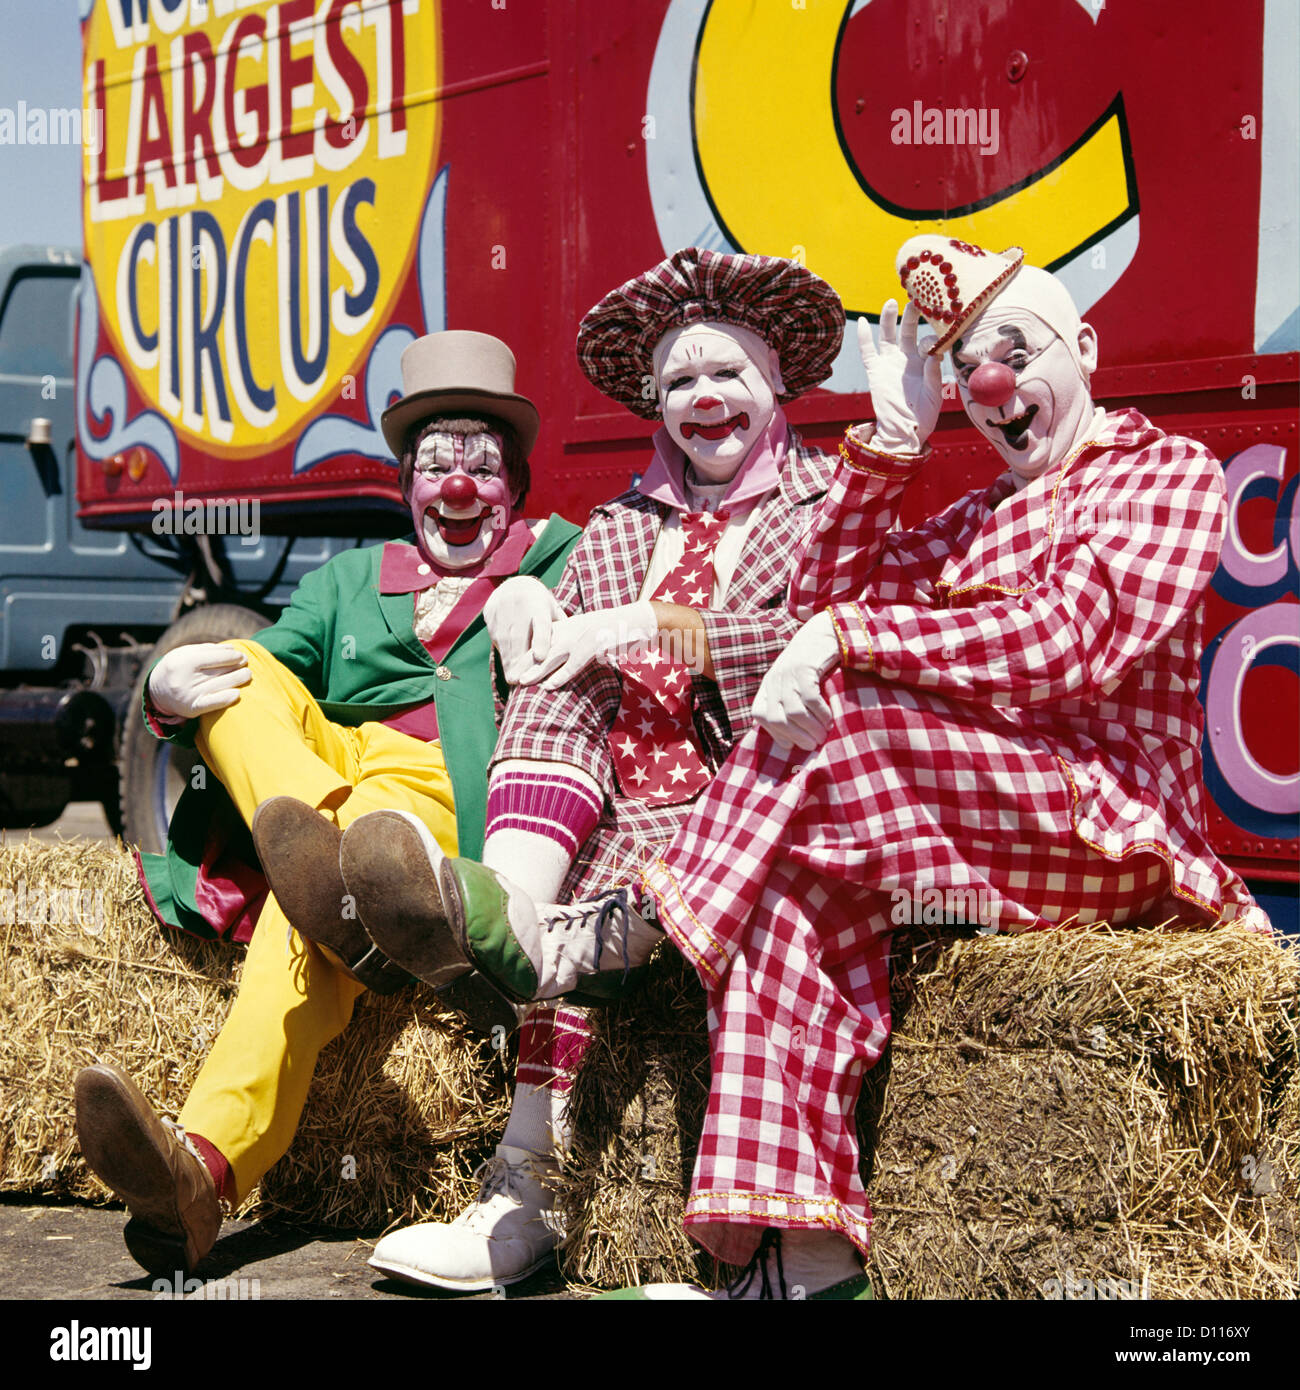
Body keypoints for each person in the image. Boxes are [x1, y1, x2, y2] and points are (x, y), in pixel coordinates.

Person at [391, 237, 1267, 1299]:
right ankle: (793, 1265)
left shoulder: (1158, 471)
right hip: (929, 819)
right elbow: (851, 584)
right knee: (797, 895)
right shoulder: (971, 514)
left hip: (1103, 820)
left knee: (826, 713)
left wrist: (825, 638)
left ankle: (617, 932)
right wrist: (893, 446)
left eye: (1014, 350)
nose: (989, 383)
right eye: (965, 365)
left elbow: (1062, 640)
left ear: (1082, 349)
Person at [337, 246, 846, 1290]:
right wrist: (535, 610)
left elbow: (806, 645)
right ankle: (518, 1169)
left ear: (776, 382)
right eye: (680, 383)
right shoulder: (624, 520)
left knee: (598, 930)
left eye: (726, 374)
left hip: (744, 805)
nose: (703, 398)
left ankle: (744, 1246)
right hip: (621, 808)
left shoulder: (825, 505)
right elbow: (572, 657)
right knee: (557, 682)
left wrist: (649, 623)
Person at [73, 331, 581, 1276]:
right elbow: (265, 672)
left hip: (451, 796)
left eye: (480, 463)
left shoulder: (562, 560)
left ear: (514, 484)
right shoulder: (352, 578)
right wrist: (163, 693)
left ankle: (204, 1173)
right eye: (436, 464)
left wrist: (557, 613)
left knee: (292, 927)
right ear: (406, 484)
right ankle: (317, 845)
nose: (458, 486)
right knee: (241, 675)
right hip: (336, 775)